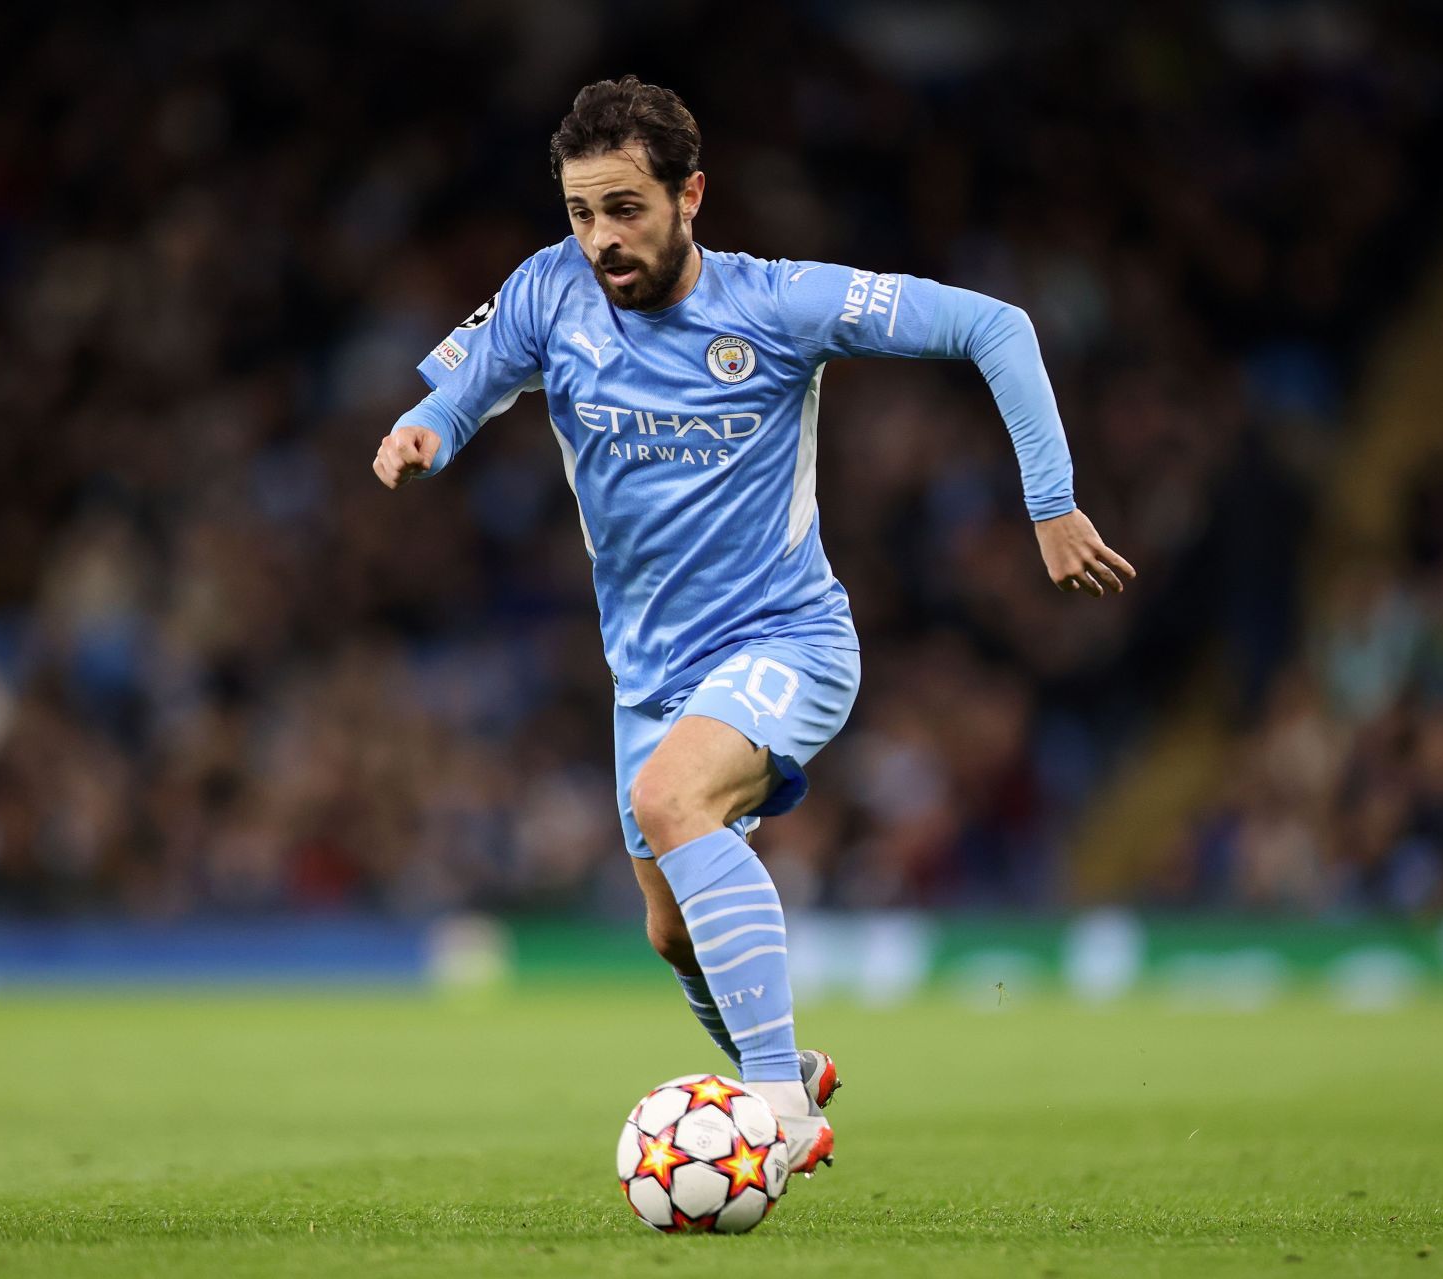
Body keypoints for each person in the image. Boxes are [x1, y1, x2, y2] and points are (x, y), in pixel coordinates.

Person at [374, 76, 1134, 1179]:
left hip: (787, 640)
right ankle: (790, 1068)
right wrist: (422, 429)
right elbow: (466, 384)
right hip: (649, 677)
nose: (600, 239)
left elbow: (993, 324)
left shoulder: (777, 305)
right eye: (582, 212)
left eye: (626, 208)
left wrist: (1050, 501)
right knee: (670, 931)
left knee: (671, 800)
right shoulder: (547, 291)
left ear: (692, 195)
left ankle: (771, 1113)